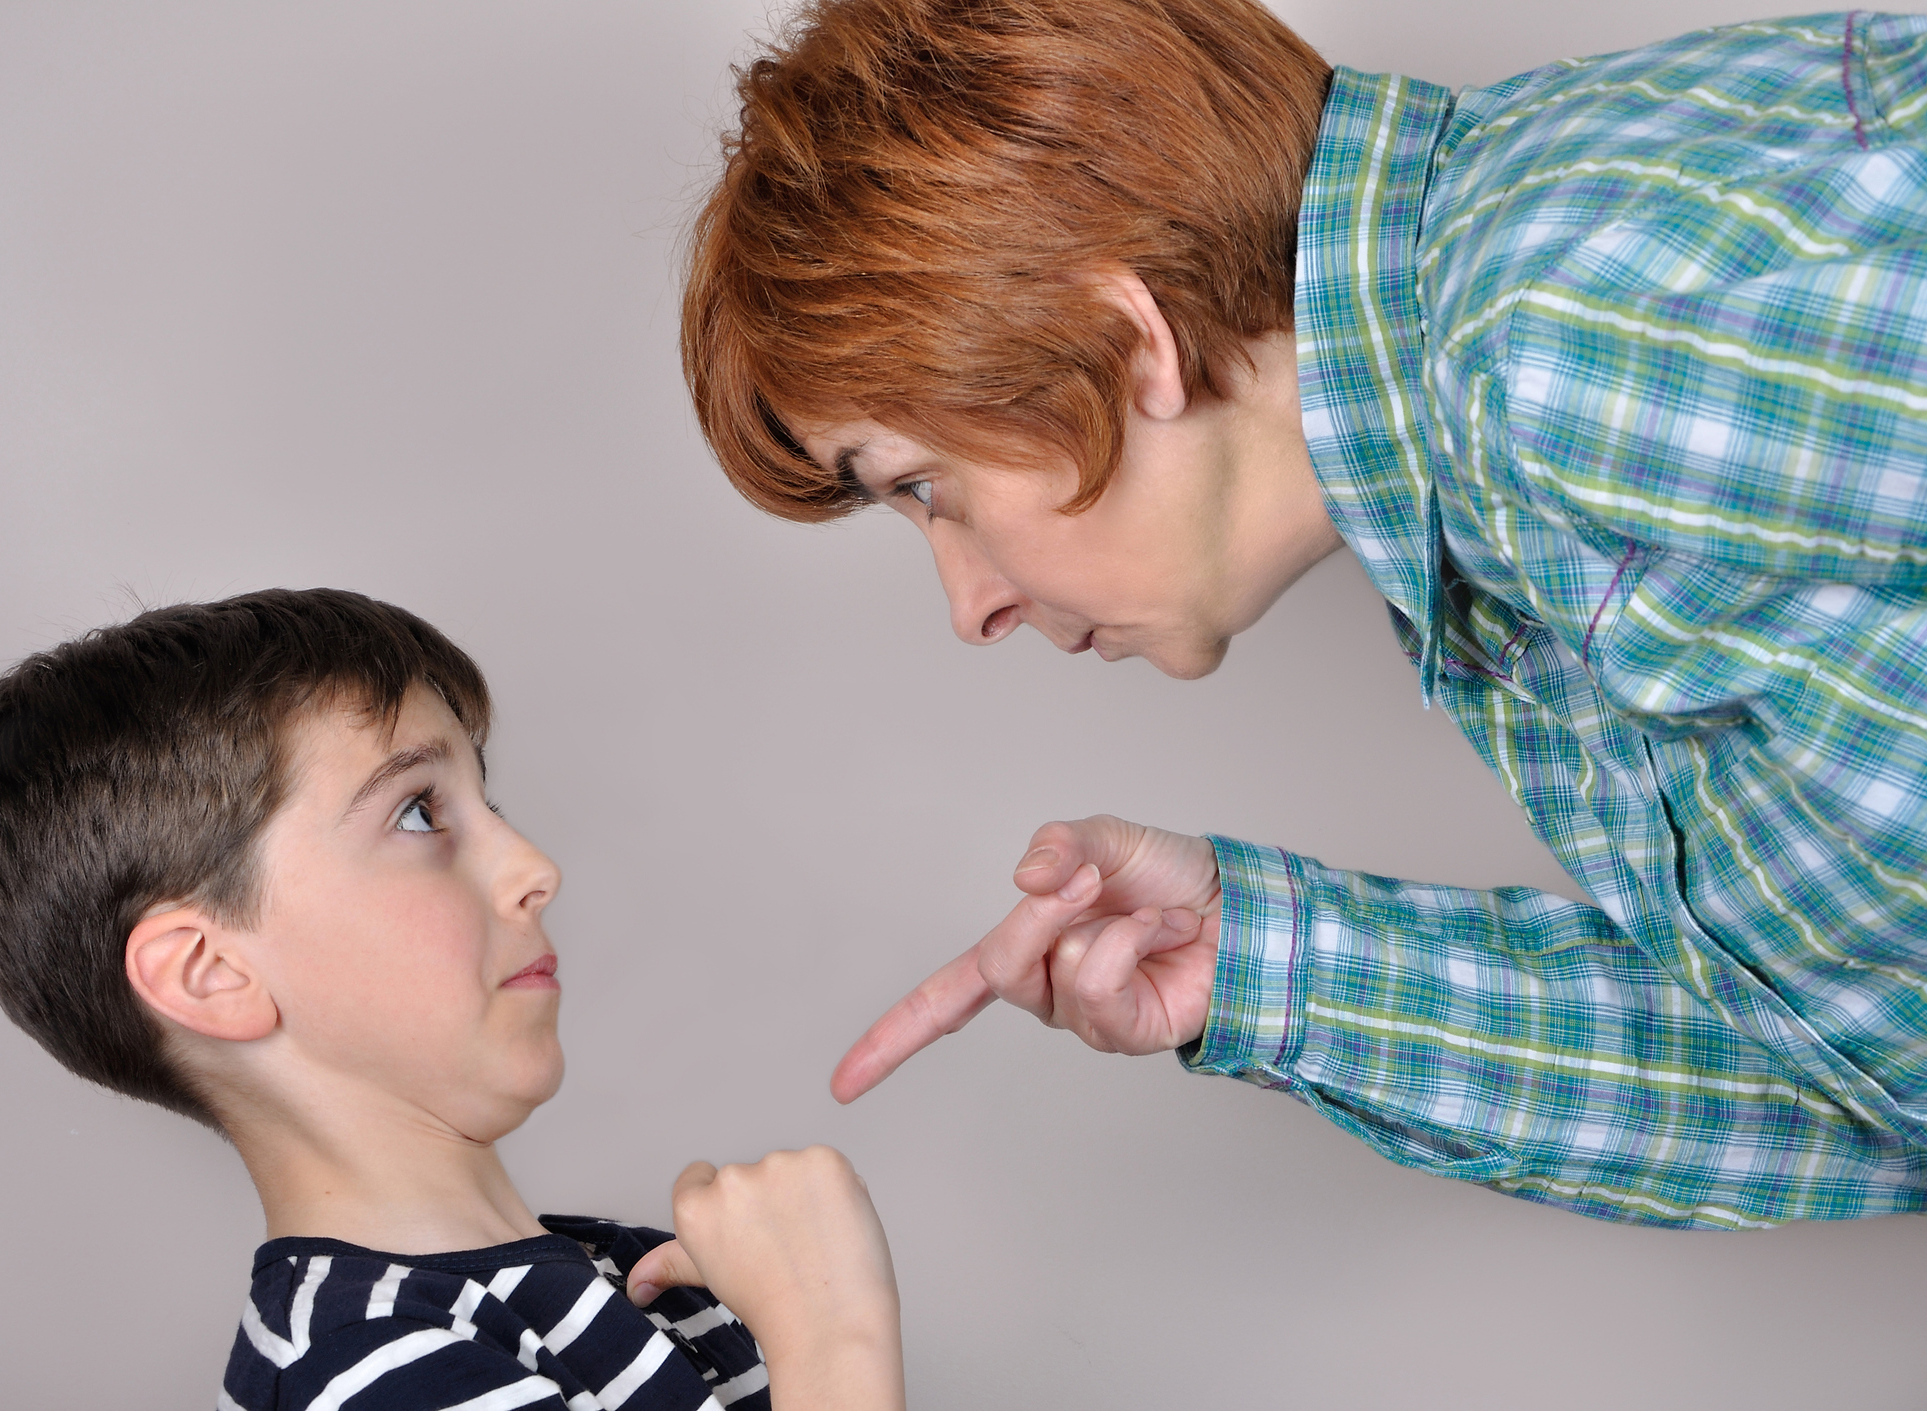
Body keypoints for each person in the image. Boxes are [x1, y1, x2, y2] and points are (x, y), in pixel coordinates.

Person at [682, 0, 1927, 1229]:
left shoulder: (1566, 345)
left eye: (924, 487)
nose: (971, 606)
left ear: (1130, 342)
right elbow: (1885, 1066)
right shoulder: (1491, 442)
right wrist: (1268, 966)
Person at [0, 588, 905, 1411]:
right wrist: (837, 1340)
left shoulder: (647, 1276)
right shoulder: (364, 1373)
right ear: (210, 974)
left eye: (492, 802)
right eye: (418, 811)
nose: (535, 867)